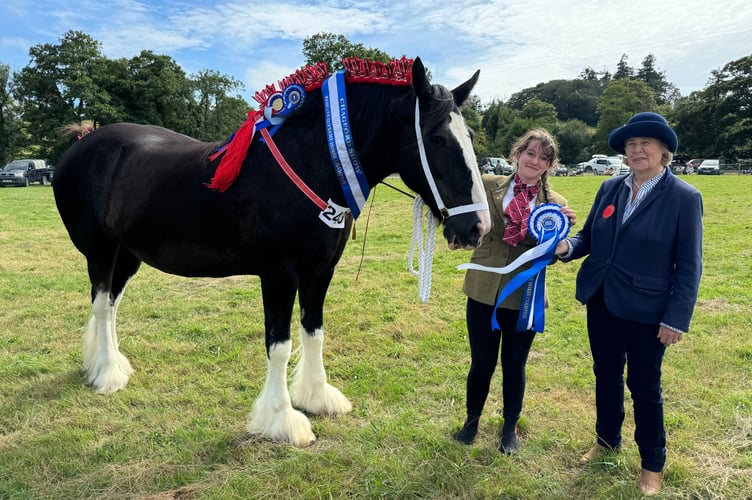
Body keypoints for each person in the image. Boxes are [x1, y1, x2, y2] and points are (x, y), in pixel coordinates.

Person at [556, 112, 703, 496]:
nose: (636, 151)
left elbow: (690, 265)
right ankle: (606, 439)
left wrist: (677, 318)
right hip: (601, 299)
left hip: (648, 311)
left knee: (643, 385)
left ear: (663, 151)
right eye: (630, 145)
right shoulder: (610, 188)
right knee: (605, 373)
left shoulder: (685, 198)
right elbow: (588, 235)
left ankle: (652, 463)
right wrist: (567, 246)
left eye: (645, 144)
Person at [455, 128, 576, 454]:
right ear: (517, 154)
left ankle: (510, 428)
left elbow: (552, 257)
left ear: (550, 165)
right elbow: (460, 210)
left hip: (524, 294)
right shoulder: (487, 183)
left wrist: (560, 239)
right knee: (481, 361)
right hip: (482, 288)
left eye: (544, 158)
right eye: (530, 153)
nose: (535, 161)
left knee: (514, 364)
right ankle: (471, 422)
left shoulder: (557, 205)